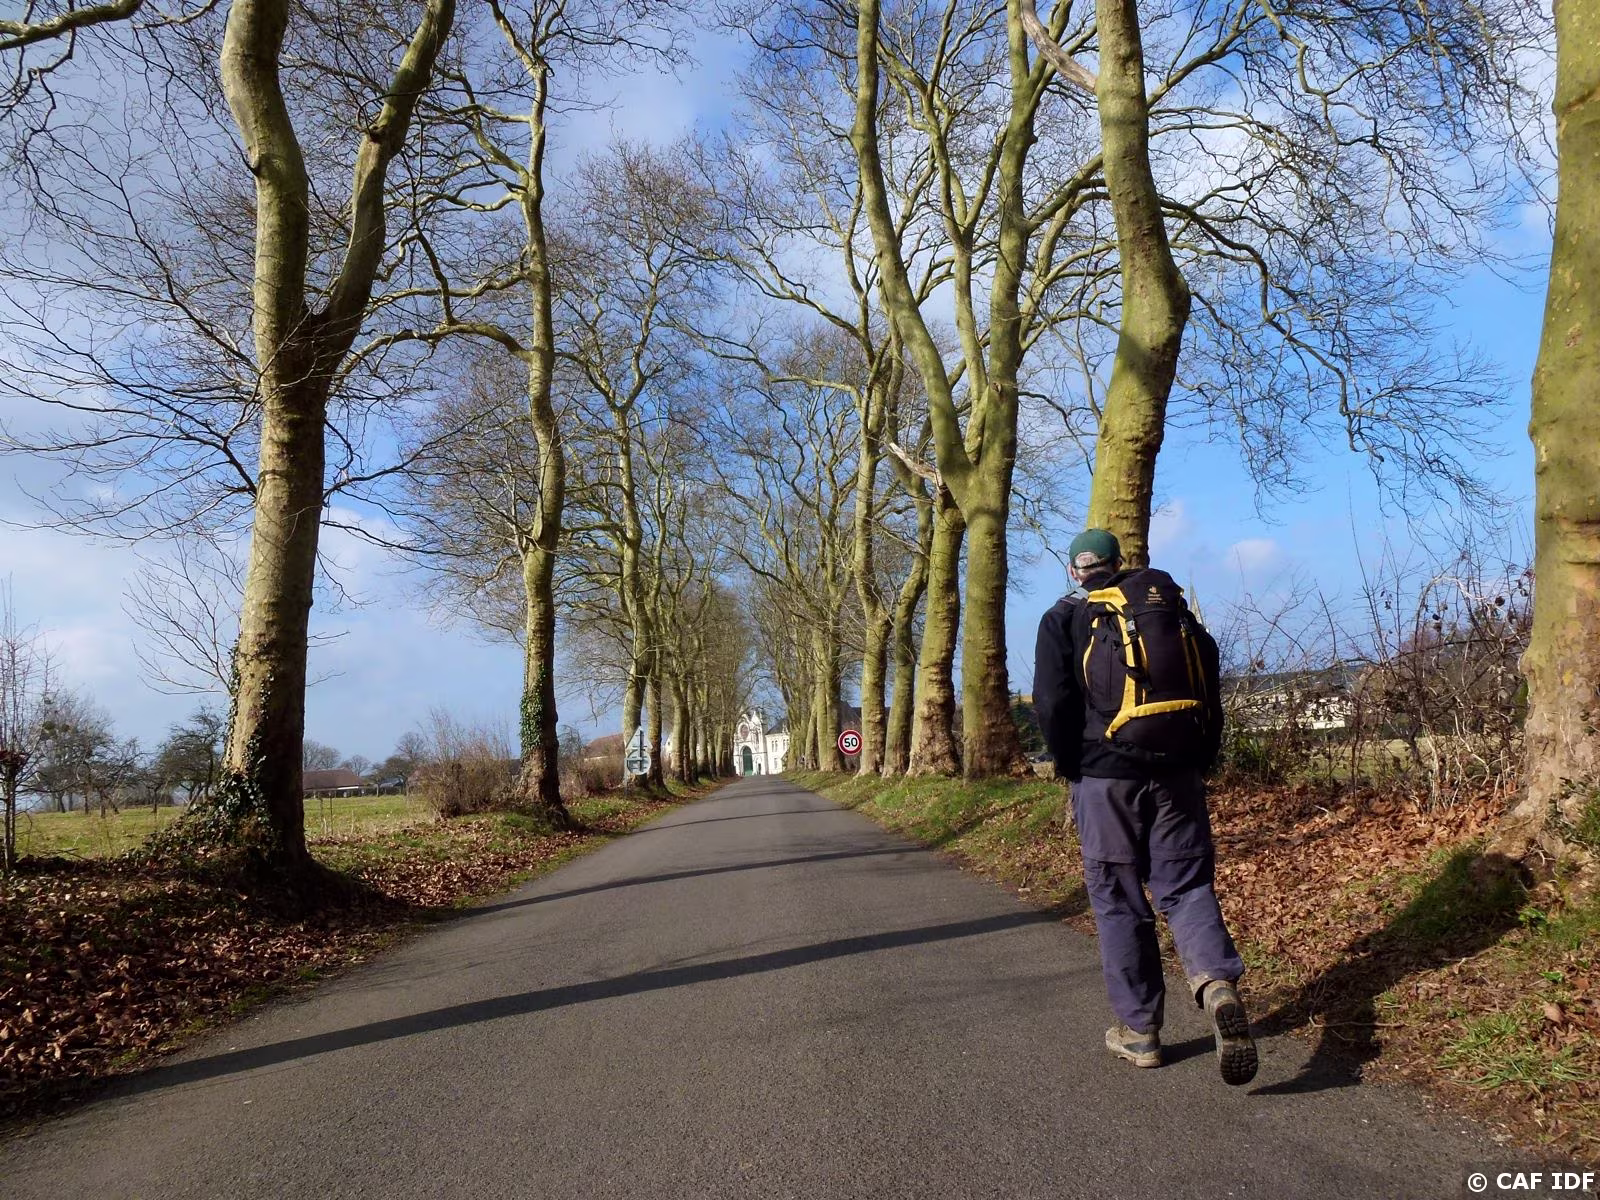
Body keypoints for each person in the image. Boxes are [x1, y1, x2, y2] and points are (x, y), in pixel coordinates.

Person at [1034, 527, 1257, 1086]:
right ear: (1122, 562)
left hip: (1104, 778)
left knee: (1118, 899)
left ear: (1073, 571)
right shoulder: (1167, 607)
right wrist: (1201, 757)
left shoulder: (1064, 617)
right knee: (1186, 886)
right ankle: (1216, 984)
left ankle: (1140, 1031)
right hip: (1177, 769)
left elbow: (1053, 702)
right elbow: (1208, 679)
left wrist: (1070, 765)